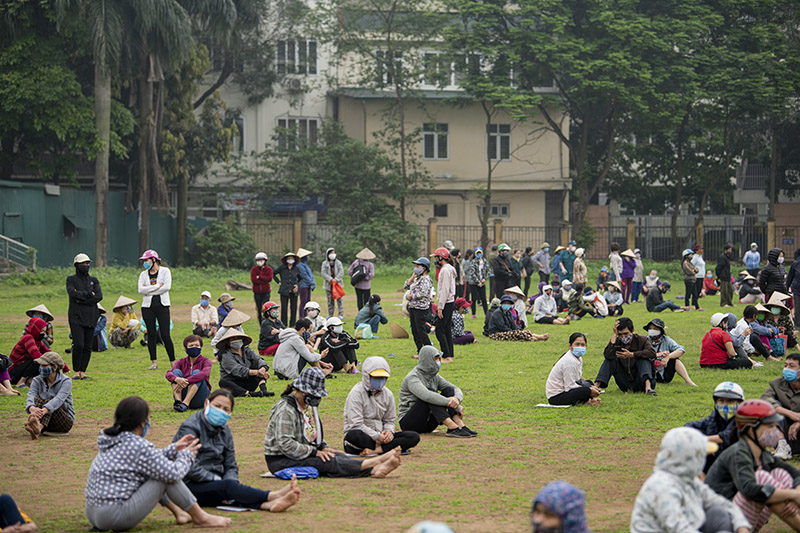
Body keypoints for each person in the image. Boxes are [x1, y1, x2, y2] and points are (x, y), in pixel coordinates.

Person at [85, 396, 231, 531]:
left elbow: (148, 461)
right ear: (143, 422)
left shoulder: (114, 440)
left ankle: (180, 513)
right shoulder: (138, 445)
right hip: (115, 517)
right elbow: (172, 474)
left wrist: (174, 449)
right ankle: (200, 518)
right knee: (163, 477)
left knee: (156, 471)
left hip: (94, 514)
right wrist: (186, 456)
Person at [173, 389, 301, 512]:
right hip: (188, 485)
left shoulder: (225, 430)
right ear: (207, 403)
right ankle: (274, 496)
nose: (221, 411)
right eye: (217, 406)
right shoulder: (189, 428)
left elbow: (231, 464)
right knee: (229, 488)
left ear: (230, 413)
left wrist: (229, 481)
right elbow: (188, 466)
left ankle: (267, 505)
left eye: (226, 409)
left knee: (231, 487)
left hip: (217, 484)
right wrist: (218, 482)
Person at [263, 367, 403, 478]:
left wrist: (323, 447)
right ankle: (373, 465)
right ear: (301, 391)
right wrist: (314, 452)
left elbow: (312, 433)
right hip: (280, 460)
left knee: (336, 455)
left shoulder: (308, 407)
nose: (316, 399)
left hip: (300, 452)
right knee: (326, 461)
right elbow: (285, 443)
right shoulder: (286, 410)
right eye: (313, 395)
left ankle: (373, 469)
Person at [631, 427, 751, 533]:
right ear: (689, 458)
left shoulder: (688, 480)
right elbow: (678, 528)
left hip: (690, 526)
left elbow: (720, 502)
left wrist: (741, 525)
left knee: (718, 513)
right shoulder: (662, 487)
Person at [705, 399, 800, 532]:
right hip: (720, 522)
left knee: (781, 473)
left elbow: (795, 474)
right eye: (770, 426)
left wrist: (797, 492)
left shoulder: (762, 454)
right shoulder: (738, 452)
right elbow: (749, 489)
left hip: (740, 518)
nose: (776, 432)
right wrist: (792, 495)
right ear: (750, 429)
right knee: (761, 478)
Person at [343, 356, 421, 456]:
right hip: (364, 436)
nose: (380, 381)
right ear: (367, 376)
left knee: (413, 436)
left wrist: (388, 432)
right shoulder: (356, 393)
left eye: (383, 378)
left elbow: (390, 420)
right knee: (354, 435)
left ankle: (377, 450)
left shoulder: (388, 394)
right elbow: (356, 424)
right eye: (376, 377)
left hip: (382, 436)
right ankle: (387, 448)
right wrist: (377, 437)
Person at [398, 345, 476, 438]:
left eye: (439, 358)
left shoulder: (434, 376)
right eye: (436, 358)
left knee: (449, 390)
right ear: (427, 359)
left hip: (429, 424)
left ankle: (459, 424)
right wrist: (451, 403)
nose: (438, 361)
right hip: (410, 424)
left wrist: (457, 399)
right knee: (431, 394)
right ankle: (451, 427)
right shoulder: (413, 377)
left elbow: (454, 388)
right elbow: (426, 395)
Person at [685, 381, 745, 473]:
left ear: (740, 403)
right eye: (721, 401)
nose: (725, 405)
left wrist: (701, 440)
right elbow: (692, 425)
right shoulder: (714, 417)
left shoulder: (744, 420)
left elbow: (726, 436)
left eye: (730, 401)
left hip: (737, 465)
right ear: (716, 402)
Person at [594, 317, 658, 395]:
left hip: (640, 380)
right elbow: (607, 355)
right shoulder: (616, 342)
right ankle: (595, 387)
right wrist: (614, 335)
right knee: (610, 360)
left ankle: (648, 388)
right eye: (620, 334)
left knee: (643, 359)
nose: (623, 337)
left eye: (626, 333)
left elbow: (652, 353)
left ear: (632, 331)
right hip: (624, 382)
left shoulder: (641, 340)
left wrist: (632, 355)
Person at [66, 252, 103, 380]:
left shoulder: (94, 280)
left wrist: (81, 299)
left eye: (88, 263)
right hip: (76, 316)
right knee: (79, 344)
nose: (86, 266)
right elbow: (72, 293)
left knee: (88, 346)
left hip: (91, 316)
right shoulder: (71, 280)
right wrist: (89, 294)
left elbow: (99, 297)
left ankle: (83, 371)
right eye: (83, 264)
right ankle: (76, 371)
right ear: (77, 265)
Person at [137, 249, 174, 371]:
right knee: (150, 334)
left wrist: (148, 289)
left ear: (154, 260)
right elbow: (140, 290)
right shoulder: (143, 274)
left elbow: (167, 287)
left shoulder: (165, 271)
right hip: (148, 308)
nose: (144, 263)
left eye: (146, 260)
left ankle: (173, 362)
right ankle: (154, 362)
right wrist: (158, 286)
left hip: (162, 306)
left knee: (165, 335)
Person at [23, 351, 73, 439]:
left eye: (44, 365)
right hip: (46, 419)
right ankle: (37, 425)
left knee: (50, 400)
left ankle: (38, 426)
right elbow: (31, 395)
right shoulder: (37, 380)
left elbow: (58, 399)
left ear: (54, 367)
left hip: (63, 422)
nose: (41, 368)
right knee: (36, 401)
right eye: (40, 365)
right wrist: (32, 408)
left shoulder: (66, 381)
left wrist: (44, 410)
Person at [546, 333, 601, 406]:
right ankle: (588, 401)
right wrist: (589, 390)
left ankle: (587, 400)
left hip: (566, 390)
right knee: (585, 391)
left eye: (583, 345)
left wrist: (590, 386)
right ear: (570, 346)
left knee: (588, 383)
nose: (580, 347)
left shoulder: (578, 358)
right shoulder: (569, 361)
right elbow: (569, 387)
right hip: (556, 397)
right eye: (577, 344)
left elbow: (577, 380)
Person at [761, 353, 800, 457]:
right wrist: (790, 414)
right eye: (785, 365)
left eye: (792, 366)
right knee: (771, 407)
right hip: (785, 432)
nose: (787, 369)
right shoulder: (777, 383)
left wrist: (798, 422)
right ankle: (782, 446)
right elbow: (765, 399)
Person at [217, 330, 273, 398]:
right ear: (228, 343)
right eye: (233, 339)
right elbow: (238, 370)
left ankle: (263, 389)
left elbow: (259, 360)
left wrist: (263, 369)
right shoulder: (226, 356)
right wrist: (257, 372)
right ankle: (248, 394)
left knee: (257, 364)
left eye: (238, 338)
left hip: (248, 381)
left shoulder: (247, 351)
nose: (236, 340)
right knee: (223, 382)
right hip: (234, 383)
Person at [645, 318, 696, 386]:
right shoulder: (645, 340)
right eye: (650, 329)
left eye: (655, 329)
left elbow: (681, 350)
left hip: (664, 373)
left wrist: (668, 357)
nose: (652, 331)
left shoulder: (667, 340)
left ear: (661, 331)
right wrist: (657, 355)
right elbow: (639, 354)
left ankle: (688, 381)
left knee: (676, 360)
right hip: (649, 372)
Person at [166, 335, 212, 412]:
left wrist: (186, 381)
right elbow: (168, 374)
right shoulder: (181, 361)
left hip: (200, 397)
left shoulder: (206, 361)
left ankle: (185, 404)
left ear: (201, 347)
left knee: (197, 373)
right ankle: (178, 402)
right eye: (191, 346)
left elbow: (204, 374)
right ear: (185, 348)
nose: (194, 347)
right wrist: (177, 379)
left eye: (197, 345)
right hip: (183, 393)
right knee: (175, 372)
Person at [9, 317, 51, 387]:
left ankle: (28, 380)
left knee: (42, 360)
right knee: (38, 360)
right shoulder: (28, 338)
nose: (43, 334)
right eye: (42, 331)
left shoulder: (38, 341)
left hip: (23, 369)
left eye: (44, 332)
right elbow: (36, 355)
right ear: (36, 329)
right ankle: (21, 382)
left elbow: (49, 352)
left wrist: (63, 366)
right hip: (13, 372)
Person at [404, 257, 434, 354]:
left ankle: (430, 351)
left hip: (420, 308)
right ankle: (420, 351)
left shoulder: (426, 279)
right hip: (413, 307)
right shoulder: (417, 278)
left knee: (421, 331)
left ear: (424, 268)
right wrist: (412, 277)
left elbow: (423, 293)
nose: (416, 267)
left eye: (418, 266)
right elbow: (406, 286)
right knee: (415, 331)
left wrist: (411, 296)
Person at [275, 252, 301, 327]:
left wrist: (297, 285)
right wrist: (278, 281)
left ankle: (292, 324)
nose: (290, 260)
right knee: (284, 308)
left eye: (291, 258)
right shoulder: (282, 268)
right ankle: (284, 324)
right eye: (289, 258)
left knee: (294, 308)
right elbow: (273, 273)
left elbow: (301, 278)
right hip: (284, 290)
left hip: (294, 291)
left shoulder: (296, 268)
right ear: (286, 260)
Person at [466, 247, 491, 318]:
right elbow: (472, 273)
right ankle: (473, 314)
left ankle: (486, 314)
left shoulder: (485, 261)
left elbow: (488, 271)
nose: (479, 254)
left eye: (480, 253)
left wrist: (484, 279)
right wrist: (477, 282)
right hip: (473, 283)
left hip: (482, 282)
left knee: (483, 299)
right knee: (474, 298)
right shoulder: (473, 262)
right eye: (477, 253)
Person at [321, 247, 344, 320]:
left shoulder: (339, 263)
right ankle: (330, 314)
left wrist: (336, 279)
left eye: (334, 253)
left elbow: (341, 272)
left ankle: (340, 314)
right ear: (328, 255)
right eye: (331, 253)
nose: (333, 255)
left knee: (339, 300)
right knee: (330, 300)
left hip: (338, 284)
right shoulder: (324, 263)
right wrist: (330, 279)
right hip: (329, 285)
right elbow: (323, 273)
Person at [250, 252, 273, 323]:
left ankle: (266, 322)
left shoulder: (269, 269)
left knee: (266, 309)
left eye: (261, 260)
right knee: (259, 309)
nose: (259, 262)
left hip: (266, 292)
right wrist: (264, 280)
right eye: (258, 260)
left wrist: (259, 277)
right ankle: (261, 324)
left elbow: (269, 279)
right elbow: (254, 280)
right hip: (257, 292)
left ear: (265, 260)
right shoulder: (254, 269)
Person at [296, 248, 316, 318]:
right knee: (303, 302)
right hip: (303, 285)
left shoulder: (305, 265)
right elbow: (304, 275)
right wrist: (311, 282)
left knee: (308, 301)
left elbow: (310, 274)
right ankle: (302, 316)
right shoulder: (300, 265)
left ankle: (307, 315)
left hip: (307, 286)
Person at [718, 243, 736, 307]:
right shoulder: (722, 257)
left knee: (730, 290)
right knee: (724, 291)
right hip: (724, 276)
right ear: (726, 250)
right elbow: (719, 267)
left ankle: (729, 302)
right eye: (730, 249)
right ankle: (724, 303)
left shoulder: (727, 257)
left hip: (728, 276)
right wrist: (719, 276)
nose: (731, 251)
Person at [787, 249, 800, 328]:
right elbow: (790, 277)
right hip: (797, 290)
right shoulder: (795, 264)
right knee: (798, 307)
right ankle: (797, 324)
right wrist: (786, 288)